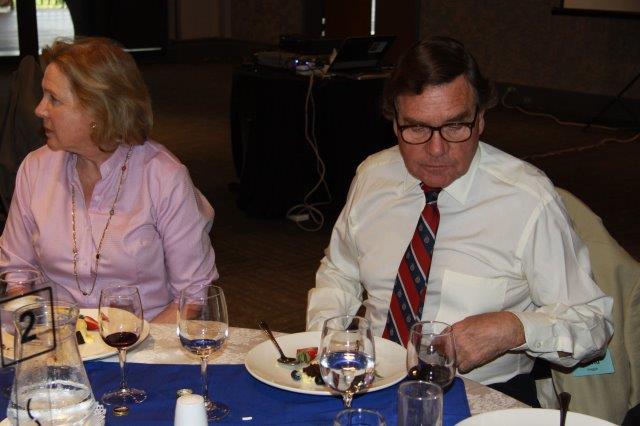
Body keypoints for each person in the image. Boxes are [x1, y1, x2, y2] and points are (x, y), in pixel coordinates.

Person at [306, 36, 613, 405]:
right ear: (395, 125)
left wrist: (514, 328)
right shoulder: (373, 177)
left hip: (483, 392)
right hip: (372, 379)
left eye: (454, 126)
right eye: (417, 128)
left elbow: (592, 323)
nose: (436, 149)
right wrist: (326, 340)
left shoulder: (527, 199)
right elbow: (340, 272)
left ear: (480, 120)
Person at [0, 37, 218, 322]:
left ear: (97, 111)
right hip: (60, 336)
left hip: (145, 337)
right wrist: (36, 334)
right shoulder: (36, 169)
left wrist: (139, 344)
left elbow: (192, 296)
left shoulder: (163, 177)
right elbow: (18, 270)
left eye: (54, 99)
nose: (39, 109)